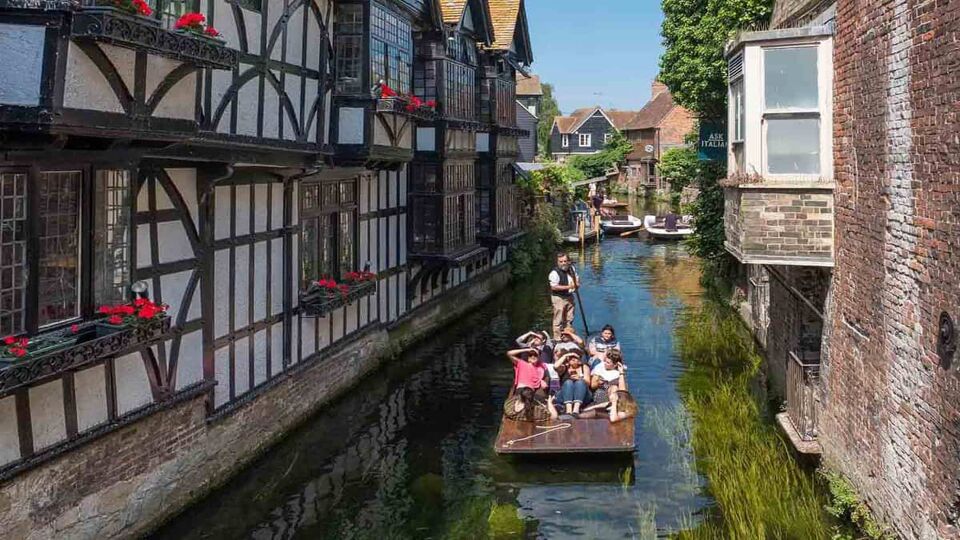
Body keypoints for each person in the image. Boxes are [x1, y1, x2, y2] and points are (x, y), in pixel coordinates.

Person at [505, 347, 553, 422]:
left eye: (535, 355)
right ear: (528, 357)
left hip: (531, 392)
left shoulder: (541, 368)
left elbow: (543, 382)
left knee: (537, 398)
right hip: (521, 390)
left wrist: (542, 381)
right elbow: (509, 353)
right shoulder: (521, 363)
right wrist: (526, 350)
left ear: (539, 357)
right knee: (524, 399)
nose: (533, 356)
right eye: (530, 355)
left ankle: (535, 413)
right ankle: (522, 413)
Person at [548, 253, 579, 340]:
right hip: (559, 297)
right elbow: (554, 287)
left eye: (565, 261)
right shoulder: (554, 273)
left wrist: (577, 283)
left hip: (569, 296)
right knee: (559, 318)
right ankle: (557, 339)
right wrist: (569, 287)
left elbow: (576, 277)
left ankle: (567, 335)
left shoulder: (571, 268)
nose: (563, 263)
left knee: (569, 316)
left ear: (568, 261)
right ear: (557, 262)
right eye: (561, 261)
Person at [555, 350, 591, 417]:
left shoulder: (584, 367)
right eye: (571, 357)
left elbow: (588, 382)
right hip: (564, 396)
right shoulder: (564, 367)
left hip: (583, 396)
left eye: (575, 357)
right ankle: (569, 411)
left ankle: (575, 410)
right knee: (569, 382)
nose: (573, 359)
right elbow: (555, 366)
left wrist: (579, 378)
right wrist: (565, 355)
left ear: (579, 360)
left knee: (580, 382)